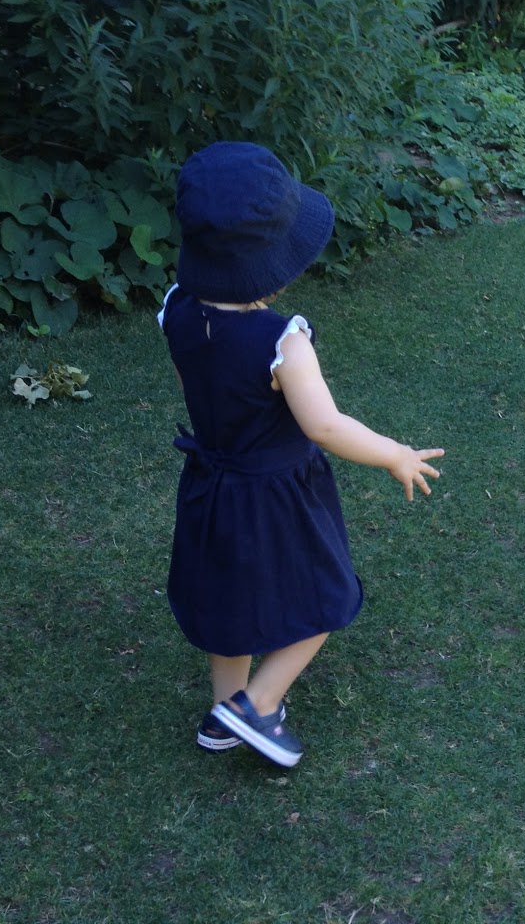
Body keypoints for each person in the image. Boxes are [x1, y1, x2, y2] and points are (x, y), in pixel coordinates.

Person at [159, 141, 443, 768]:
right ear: (271, 263)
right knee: (323, 597)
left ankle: (224, 711)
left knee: (229, 603)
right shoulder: (282, 341)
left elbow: (191, 382)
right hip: (278, 495)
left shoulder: (175, 310)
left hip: (211, 484)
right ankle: (256, 706)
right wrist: (394, 454)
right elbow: (326, 426)